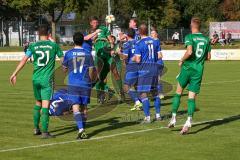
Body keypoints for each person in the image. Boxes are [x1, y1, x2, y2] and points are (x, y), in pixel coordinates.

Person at [9, 24, 64, 139]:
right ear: (49, 34)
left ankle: (36, 128)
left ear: (38, 34)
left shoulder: (33, 46)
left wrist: (14, 74)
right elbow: (63, 63)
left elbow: (24, 60)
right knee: (45, 105)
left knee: (38, 103)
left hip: (35, 79)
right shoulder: (54, 45)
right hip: (47, 80)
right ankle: (44, 132)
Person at [168, 17, 211, 134]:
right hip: (198, 71)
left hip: (187, 69)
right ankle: (188, 121)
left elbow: (190, 51)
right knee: (191, 97)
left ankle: (173, 118)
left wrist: (182, 60)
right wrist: (199, 60)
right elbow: (208, 57)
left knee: (178, 93)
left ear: (192, 26)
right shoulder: (207, 39)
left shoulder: (189, 37)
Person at [62, 32, 96, 139]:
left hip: (73, 83)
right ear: (83, 41)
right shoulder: (88, 53)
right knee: (84, 107)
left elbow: (64, 69)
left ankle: (81, 129)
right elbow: (91, 70)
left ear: (73, 40)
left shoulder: (68, 53)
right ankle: (82, 129)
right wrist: (89, 80)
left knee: (75, 107)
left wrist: (66, 67)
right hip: (85, 83)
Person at [132, 24, 163, 123]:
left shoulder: (139, 43)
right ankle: (158, 115)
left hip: (144, 70)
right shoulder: (155, 41)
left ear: (139, 32)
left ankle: (148, 117)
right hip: (154, 68)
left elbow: (137, 59)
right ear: (147, 31)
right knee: (155, 92)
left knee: (143, 93)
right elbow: (160, 56)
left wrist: (133, 58)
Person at [118, 28, 142, 111]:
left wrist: (119, 53)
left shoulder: (127, 44)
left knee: (126, 87)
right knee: (137, 86)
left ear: (127, 35)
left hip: (131, 67)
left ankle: (137, 101)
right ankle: (139, 104)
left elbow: (125, 56)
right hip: (140, 66)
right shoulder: (138, 42)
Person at [150, 29, 164, 100]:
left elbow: (160, 55)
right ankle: (157, 94)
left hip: (158, 63)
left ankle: (160, 94)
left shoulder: (156, 41)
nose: (151, 34)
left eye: (153, 33)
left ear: (156, 34)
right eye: (151, 33)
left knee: (157, 79)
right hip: (154, 64)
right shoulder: (152, 41)